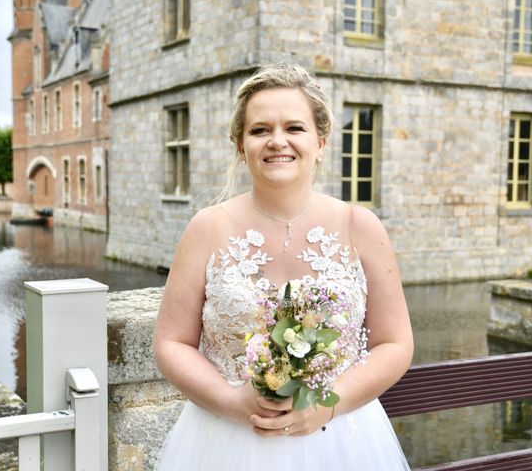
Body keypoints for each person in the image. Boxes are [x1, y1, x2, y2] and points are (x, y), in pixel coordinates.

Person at [153, 63, 413, 470]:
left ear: (321, 142)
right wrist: (231, 402)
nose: (277, 141)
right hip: (225, 441)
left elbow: (395, 344)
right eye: (260, 130)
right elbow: (171, 343)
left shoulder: (359, 227)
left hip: (342, 440)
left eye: (294, 128)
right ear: (241, 146)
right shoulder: (207, 228)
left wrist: (327, 407)